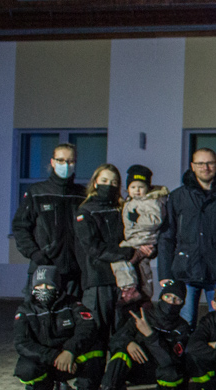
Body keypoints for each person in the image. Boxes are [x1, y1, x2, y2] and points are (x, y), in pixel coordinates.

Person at [158, 148, 216, 326]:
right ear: (192, 166)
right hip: (185, 271)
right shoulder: (178, 197)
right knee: (184, 322)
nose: (205, 167)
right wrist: (164, 272)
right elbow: (167, 236)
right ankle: (185, 354)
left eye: (209, 163)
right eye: (200, 163)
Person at [96, 281, 192, 390]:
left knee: (172, 370)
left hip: (158, 371)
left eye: (177, 299)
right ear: (161, 297)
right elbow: (115, 339)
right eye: (168, 296)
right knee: (120, 356)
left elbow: (170, 359)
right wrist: (128, 343)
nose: (171, 302)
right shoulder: (143, 315)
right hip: (135, 367)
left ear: (182, 303)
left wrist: (150, 335)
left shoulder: (182, 327)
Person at [13, 266, 104, 390]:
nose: (44, 289)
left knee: (95, 349)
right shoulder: (25, 310)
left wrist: (70, 350)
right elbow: (21, 343)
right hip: (46, 360)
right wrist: (53, 356)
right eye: (39, 286)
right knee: (26, 368)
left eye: (49, 285)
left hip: (69, 361)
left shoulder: (73, 305)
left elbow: (87, 328)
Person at [75, 164, 140, 338]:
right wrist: (124, 253)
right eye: (104, 180)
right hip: (98, 279)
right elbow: (92, 247)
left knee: (122, 332)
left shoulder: (121, 208)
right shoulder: (85, 211)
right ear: (95, 182)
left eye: (113, 182)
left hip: (122, 279)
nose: (108, 185)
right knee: (96, 332)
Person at [13, 142, 86, 296]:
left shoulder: (82, 194)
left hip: (75, 272)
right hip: (44, 268)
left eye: (70, 161)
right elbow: (20, 227)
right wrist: (35, 254)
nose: (65, 165)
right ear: (52, 162)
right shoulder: (37, 192)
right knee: (39, 316)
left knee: (72, 318)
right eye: (60, 160)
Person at [113, 164, 165, 305]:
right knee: (133, 264)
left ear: (147, 188)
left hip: (143, 238)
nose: (137, 191)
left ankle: (130, 287)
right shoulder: (129, 202)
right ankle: (133, 288)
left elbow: (156, 219)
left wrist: (138, 218)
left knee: (122, 259)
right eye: (133, 187)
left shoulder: (150, 201)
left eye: (140, 187)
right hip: (133, 238)